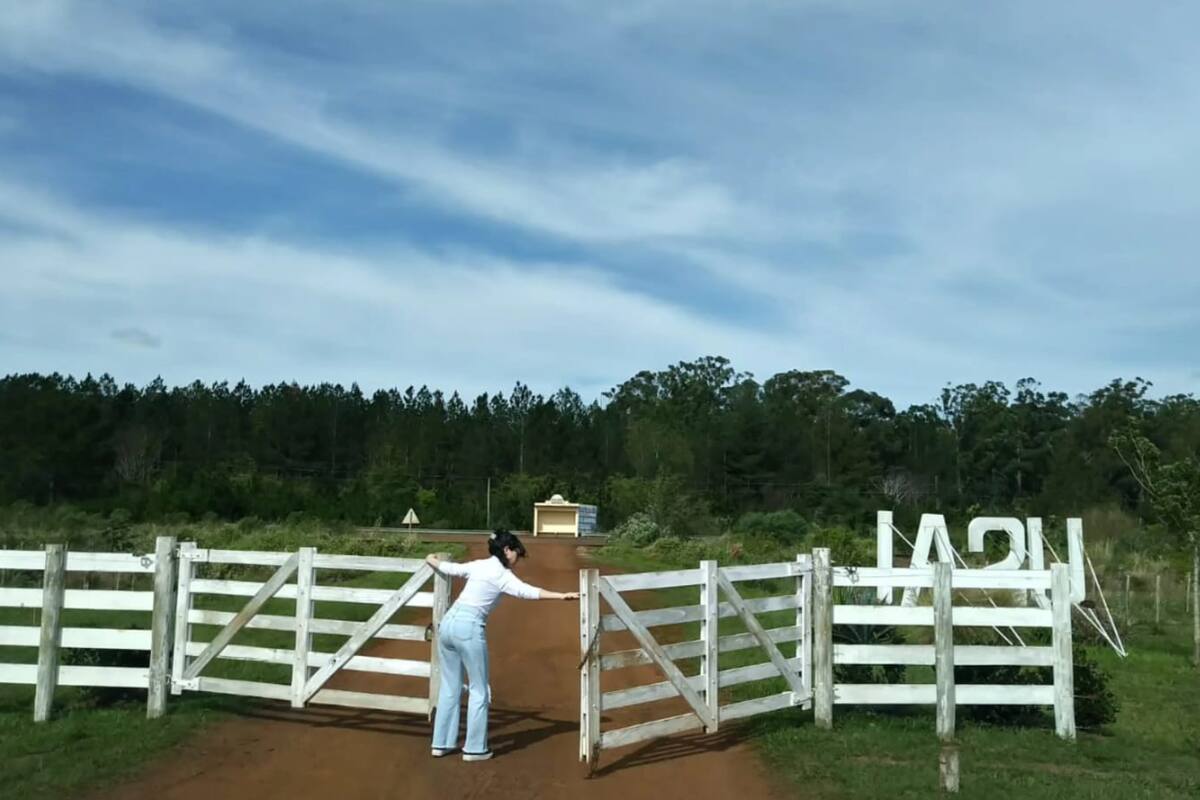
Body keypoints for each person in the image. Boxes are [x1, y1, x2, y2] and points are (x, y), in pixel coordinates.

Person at [425, 529, 578, 761]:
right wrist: (560, 595)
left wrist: (430, 559)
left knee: (450, 686)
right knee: (479, 690)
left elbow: (450, 568)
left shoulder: (479, 565)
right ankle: (474, 749)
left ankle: (441, 743)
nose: (517, 559)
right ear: (507, 550)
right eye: (516, 552)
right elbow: (526, 592)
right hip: (469, 627)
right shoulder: (501, 574)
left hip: (448, 625)